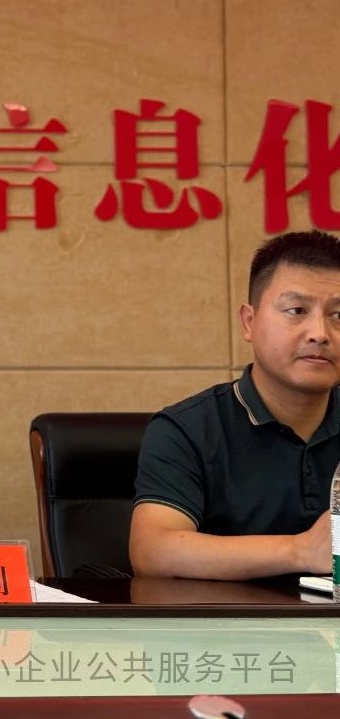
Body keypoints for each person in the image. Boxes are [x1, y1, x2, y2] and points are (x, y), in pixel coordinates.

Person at [130, 230, 340, 580]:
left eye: (338, 315)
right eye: (297, 310)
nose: (319, 333)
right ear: (249, 322)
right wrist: (301, 550)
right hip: (228, 616)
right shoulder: (187, 430)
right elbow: (152, 551)